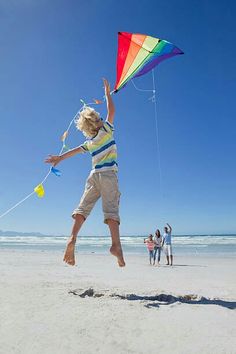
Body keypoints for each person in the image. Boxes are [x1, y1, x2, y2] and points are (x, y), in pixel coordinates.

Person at [45, 79, 125, 267]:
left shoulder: (90, 143)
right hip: (108, 175)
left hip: (93, 176)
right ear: (97, 121)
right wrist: (107, 93)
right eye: (98, 117)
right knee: (111, 209)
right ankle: (116, 245)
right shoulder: (106, 130)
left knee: (83, 208)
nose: (101, 118)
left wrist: (59, 158)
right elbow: (112, 112)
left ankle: (72, 238)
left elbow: (74, 151)